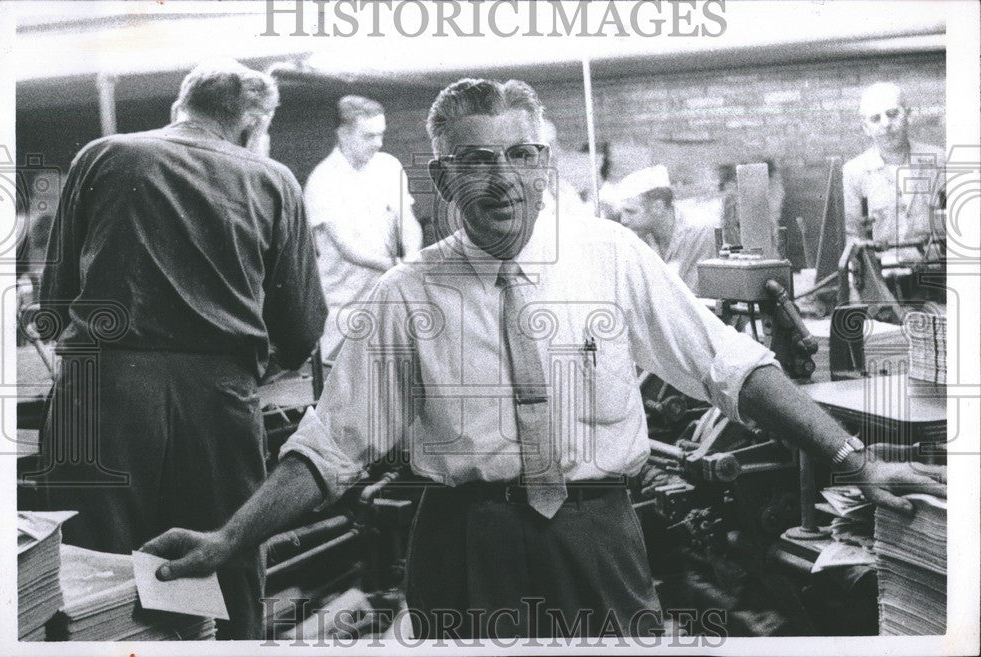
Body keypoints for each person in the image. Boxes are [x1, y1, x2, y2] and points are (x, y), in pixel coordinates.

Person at [144, 78, 944, 640]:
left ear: (546, 163)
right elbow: (329, 446)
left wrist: (855, 459)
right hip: (461, 549)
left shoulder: (610, 254)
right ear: (443, 175)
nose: (504, 179)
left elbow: (725, 364)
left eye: (521, 155)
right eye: (478, 161)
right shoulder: (405, 292)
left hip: (600, 538)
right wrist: (228, 539)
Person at [36, 59, 327, 639]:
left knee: (92, 577)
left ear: (180, 108)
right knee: (224, 558)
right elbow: (302, 327)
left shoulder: (103, 155)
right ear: (253, 123)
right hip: (216, 403)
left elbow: (53, 303)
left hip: (100, 393)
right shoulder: (273, 180)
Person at [304, 95, 423, 365]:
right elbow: (347, 249)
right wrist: (398, 267)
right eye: (369, 136)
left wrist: (413, 254)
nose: (378, 143)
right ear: (343, 134)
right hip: (342, 309)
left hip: (384, 300)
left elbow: (407, 219)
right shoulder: (323, 180)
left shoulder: (388, 166)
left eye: (381, 135)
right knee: (343, 388)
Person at [842, 82, 945, 265]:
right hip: (884, 281)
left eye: (892, 114)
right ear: (865, 127)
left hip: (937, 276)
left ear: (908, 116)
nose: (886, 124)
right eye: (875, 118)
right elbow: (852, 237)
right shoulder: (854, 173)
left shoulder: (939, 161)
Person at [616, 165, 717, 294]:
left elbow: (690, 294)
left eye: (630, 212)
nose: (623, 220)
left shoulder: (698, 231)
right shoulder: (641, 234)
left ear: (658, 207)